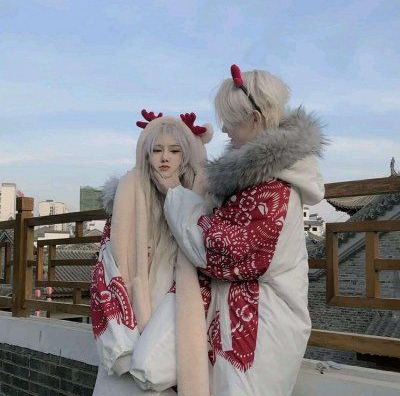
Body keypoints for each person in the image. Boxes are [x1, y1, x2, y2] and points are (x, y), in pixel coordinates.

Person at [156, 64, 327, 396]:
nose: (224, 129)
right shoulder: (265, 178)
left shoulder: (273, 188)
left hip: (262, 327)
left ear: (255, 119)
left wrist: (175, 197)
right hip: (250, 322)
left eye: (231, 120)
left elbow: (218, 251)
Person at [90, 110, 213, 396]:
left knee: (157, 367)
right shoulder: (130, 192)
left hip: (178, 295)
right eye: (157, 150)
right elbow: (113, 257)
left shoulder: (201, 195)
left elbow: (203, 247)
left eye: (174, 151)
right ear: (146, 154)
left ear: (186, 156)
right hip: (135, 294)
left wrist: (175, 194)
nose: (165, 158)